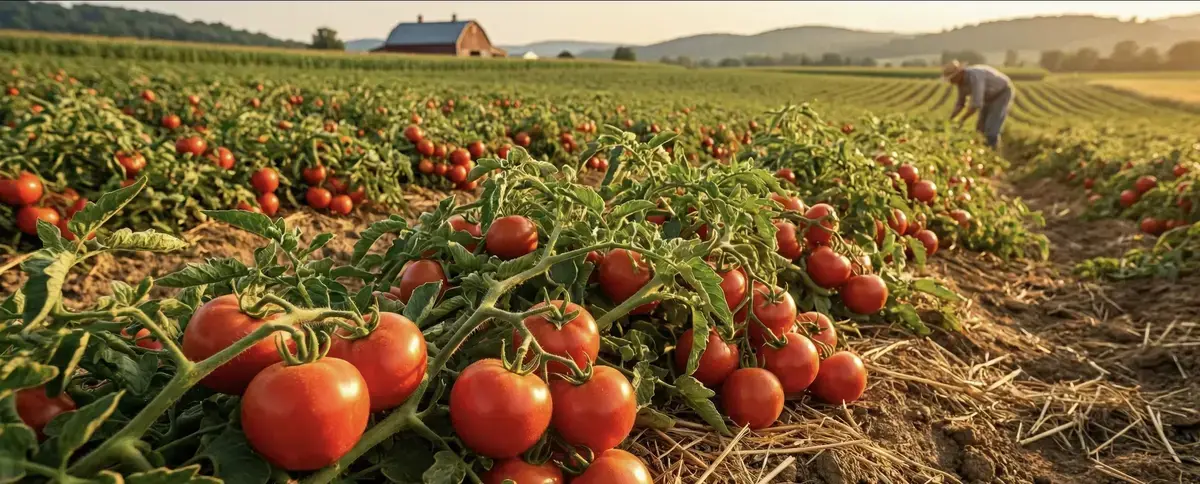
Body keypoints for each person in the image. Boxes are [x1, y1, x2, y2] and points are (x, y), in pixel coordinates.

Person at [943, 60, 1013, 149]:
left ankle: (994, 152)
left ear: (960, 73)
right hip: (987, 97)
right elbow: (960, 103)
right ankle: (983, 151)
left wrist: (961, 120)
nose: (951, 81)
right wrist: (950, 119)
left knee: (991, 129)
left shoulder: (975, 76)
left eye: (951, 78)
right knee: (980, 129)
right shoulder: (960, 83)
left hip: (1001, 93)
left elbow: (976, 104)